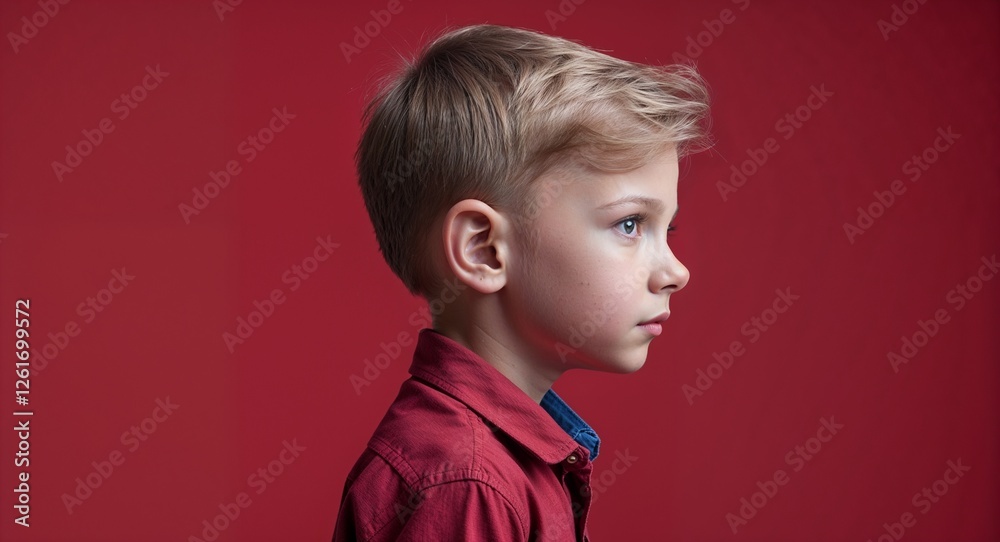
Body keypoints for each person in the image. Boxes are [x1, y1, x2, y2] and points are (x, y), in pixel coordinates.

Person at [333, 23, 711, 541]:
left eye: (667, 229)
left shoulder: (494, 464)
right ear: (484, 249)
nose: (676, 273)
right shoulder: (467, 483)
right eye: (630, 224)